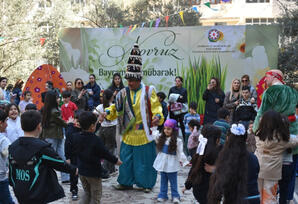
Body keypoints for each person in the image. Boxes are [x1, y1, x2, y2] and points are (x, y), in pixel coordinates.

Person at [110, 42, 164, 192]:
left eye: (132, 81)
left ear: (139, 79)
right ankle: (125, 182)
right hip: (128, 133)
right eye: (128, 80)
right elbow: (116, 108)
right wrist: (107, 112)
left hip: (143, 134)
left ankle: (146, 184)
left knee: (144, 161)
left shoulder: (148, 91)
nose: (130, 83)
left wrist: (157, 116)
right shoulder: (122, 93)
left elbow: (156, 107)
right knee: (126, 160)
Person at [8, 110, 77, 204]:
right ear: (39, 126)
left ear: (22, 126)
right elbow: (58, 163)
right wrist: (74, 169)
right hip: (37, 192)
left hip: (20, 191)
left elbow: (12, 172)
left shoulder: (13, 146)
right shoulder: (42, 147)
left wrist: (15, 185)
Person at [252, 69, 298, 203]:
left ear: (273, 77)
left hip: (272, 133)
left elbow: (261, 113)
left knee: (265, 186)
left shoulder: (270, 91)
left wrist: (256, 129)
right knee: (288, 179)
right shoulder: (293, 92)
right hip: (289, 134)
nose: (265, 80)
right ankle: (286, 200)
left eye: (267, 77)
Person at [73, 111, 122, 204]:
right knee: (96, 196)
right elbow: (105, 153)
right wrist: (116, 161)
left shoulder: (75, 137)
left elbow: (89, 133)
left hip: (82, 171)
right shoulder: (95, 140)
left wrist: (98, 122)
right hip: (93, 173)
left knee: (87, 193)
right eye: (95, 124)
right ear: (92, 126)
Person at [208, 123, 260, 204]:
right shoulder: (253, 158)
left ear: (228, 138)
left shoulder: (226, 158)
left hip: (235, 199)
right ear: (245, 139)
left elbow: (221, 182)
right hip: (254, 198)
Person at [255, 110, 298, 204]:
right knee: (269, 196)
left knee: (258, 195)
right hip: (272, 172)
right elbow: (295, 141)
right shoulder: (281, 138)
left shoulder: (258, 134)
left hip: (258, 167)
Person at [184, 124, 222, 204]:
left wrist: (187, 185)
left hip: (198, 189)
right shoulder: (219, 152)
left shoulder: (199, 151)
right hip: (213, 190)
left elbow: (194, 169)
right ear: (217, 140)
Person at [153, 119, 188, 203]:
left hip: (172, 164)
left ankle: (175, 196)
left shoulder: (177, 141)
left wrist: (184, 161)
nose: (166, 130)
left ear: (174, 130)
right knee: (163, 180)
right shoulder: (161, 138)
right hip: (163, 163)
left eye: (169, 129)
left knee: (173, 182)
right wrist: (154, 127)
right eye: (165, 128)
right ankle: (162, 195)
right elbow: (154, 135)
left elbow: (180, 152)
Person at [41, 91, 69, 183]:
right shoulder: (54, 111)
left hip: (53, 136)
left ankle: (64, 177)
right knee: (57, 156)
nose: (59, 99)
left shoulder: (47, 109)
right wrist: (70, 122)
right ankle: (63, 177)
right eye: (57, 98)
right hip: (54, 136)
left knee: (58, 156)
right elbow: (62, 123)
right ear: (53, 100)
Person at [94, 89, 118, 176]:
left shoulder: (100, 106)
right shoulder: (113, 106)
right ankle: (108, 169)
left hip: (102, 129)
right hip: (111, 129)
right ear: (111, 97)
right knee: (110, 149)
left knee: (104, 149)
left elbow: (94, 113)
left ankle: (108, 168)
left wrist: (100, 116)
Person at [64, 110, 82, 201]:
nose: (78, 123)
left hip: (83, 156)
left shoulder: (85, 129)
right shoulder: (71, 130)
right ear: (74, 120)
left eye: (80, 121)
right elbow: (67, 144)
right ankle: (74, 190)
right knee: (73, 174)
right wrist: (67, 157)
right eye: (76, 120)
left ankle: (88, 190)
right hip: (73, 156)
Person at [0, 110, 14, 204]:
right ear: (1, 123)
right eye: (6, 121)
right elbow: (11, 157)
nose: (7, 124)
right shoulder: (3, 140)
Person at [168, 76, 188, 141]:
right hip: (173, 111)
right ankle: (173, 140)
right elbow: (170, 98)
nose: (177, 82)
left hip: (181, 111)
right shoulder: (172, 89)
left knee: (183, 125)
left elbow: (184, 99)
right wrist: (179, 97)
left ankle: (185, 140)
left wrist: (176, 98)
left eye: (178, 81)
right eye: (176, 81)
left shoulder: (184, 90)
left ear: (181, 82)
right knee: (174, 125)